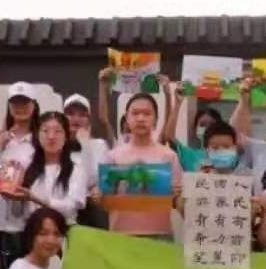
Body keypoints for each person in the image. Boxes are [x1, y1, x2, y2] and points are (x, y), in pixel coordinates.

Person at [92, 92, 183, 239]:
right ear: (127, 118)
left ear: (155, 119)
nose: (141, 118)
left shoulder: (168, 156)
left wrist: (178, 195)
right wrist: (98, 196)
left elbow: (177, 201)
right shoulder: (113, 156)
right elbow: (103, 200)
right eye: (135, 113)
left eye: (147, 114)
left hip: (159, 236)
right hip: (121, 236)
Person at [0, 82, 39, 269]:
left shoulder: (39, 140)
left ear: (34, 105)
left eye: (25, 102)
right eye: (15, 103)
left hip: (27, 219)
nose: (20, 107)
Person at [16, 111, 88, 225]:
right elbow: (17, 213)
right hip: (32, 230)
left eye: (57, 131)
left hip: (65, 229)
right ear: (37, 135)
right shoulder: (27, 169)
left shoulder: (76, 170)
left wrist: (35, 198)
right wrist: (14, 189)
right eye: (45, 131)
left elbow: (71, 207)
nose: (51, 136)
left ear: (66, 136)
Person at [164, 82, 225, 173]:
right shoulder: (189, 154)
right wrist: (178, 103)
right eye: (202, 124)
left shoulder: (228, 156)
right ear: (196, 129)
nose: (207, 128)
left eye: (212, 124)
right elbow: (169, 136)